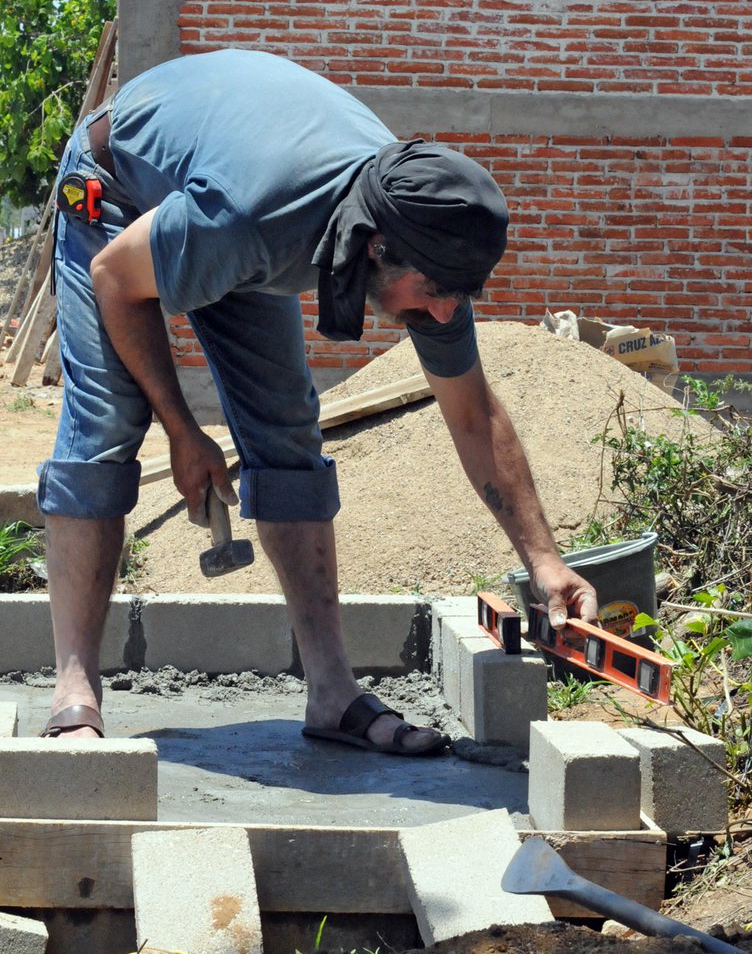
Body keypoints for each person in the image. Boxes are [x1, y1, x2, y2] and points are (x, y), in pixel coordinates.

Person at [37, 49, 598, 751]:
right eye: (432, 292)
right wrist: (183, 429)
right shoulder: (252, 217)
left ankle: (333, 693)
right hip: (115, 190)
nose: (445, 312)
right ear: (374, 248)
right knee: (110, 420)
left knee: (287, 432)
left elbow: (473, 413)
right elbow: (115, 279)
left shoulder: (418, 224)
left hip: (220, 188)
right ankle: (74, 690)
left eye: (461, 294)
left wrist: (546, 560)